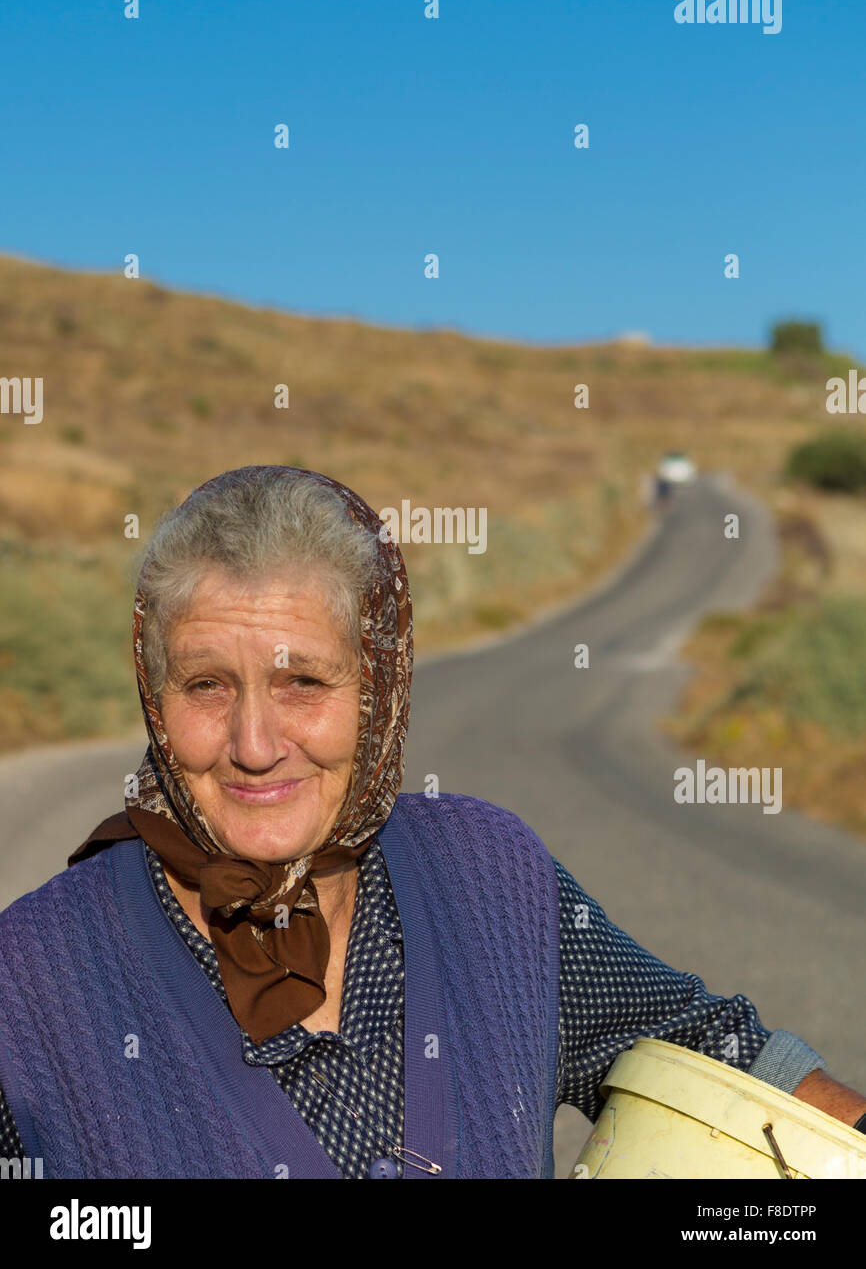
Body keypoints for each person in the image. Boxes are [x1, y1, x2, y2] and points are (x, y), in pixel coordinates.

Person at [0, 464, 863, 1179]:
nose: (255, 745)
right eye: (206, 686)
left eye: (304, 681)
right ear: (155, 700)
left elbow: (713, 1053)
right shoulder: (35, 984)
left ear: (380, 691)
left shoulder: (488, 877)